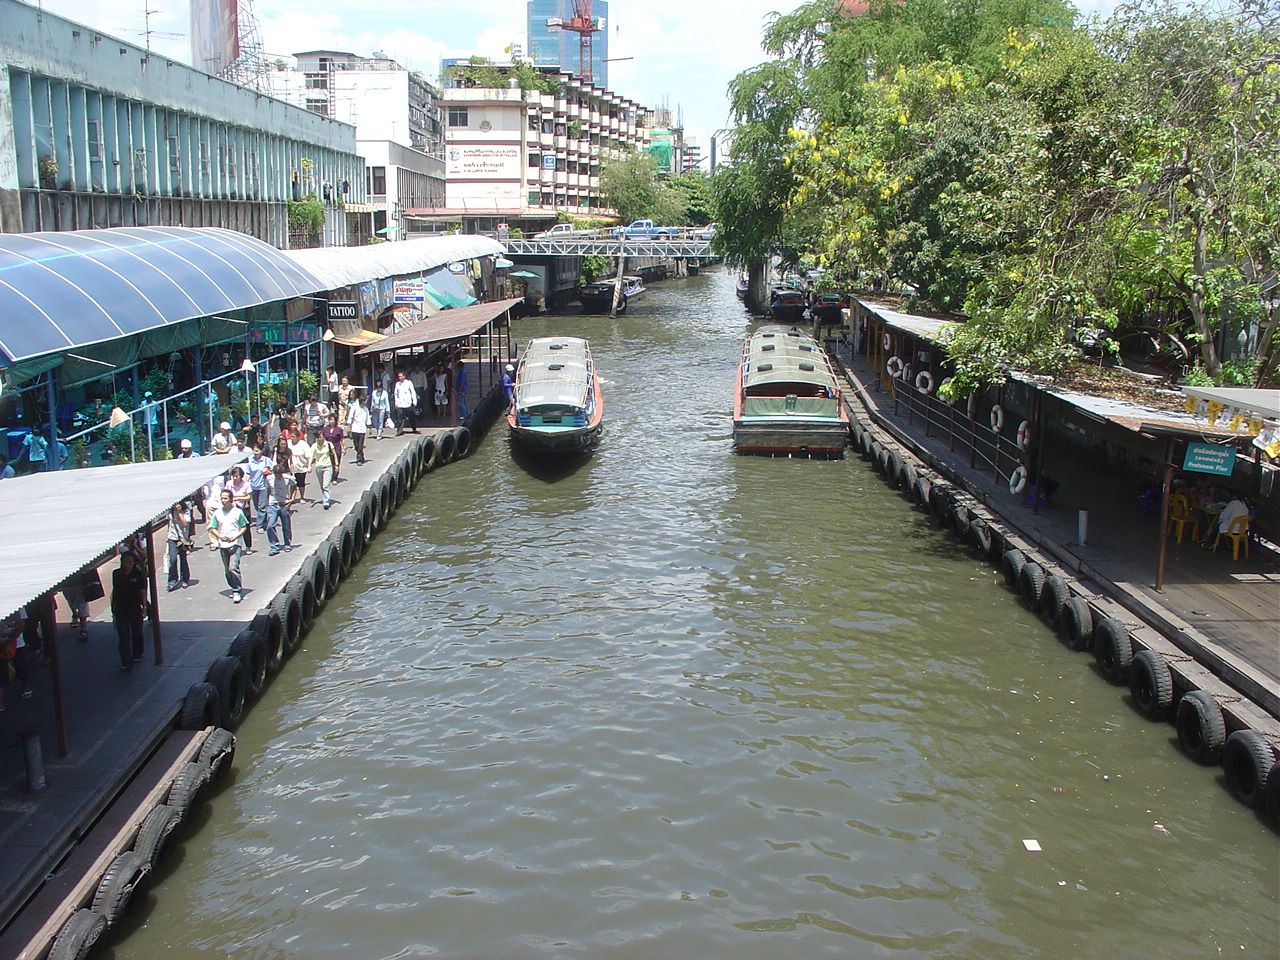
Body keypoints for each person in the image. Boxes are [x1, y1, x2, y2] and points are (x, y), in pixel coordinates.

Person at [111, 551, 148, 671]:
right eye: (125, 562)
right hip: (121, 608)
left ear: (133, 563)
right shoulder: (116, 574)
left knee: (136, 632)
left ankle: (137, 653)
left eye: (129, 562)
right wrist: (113, 609)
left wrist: (144, 608)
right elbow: (115, 592)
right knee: (123, 635)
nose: (127, 564)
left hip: (134, 607)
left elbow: (142, 592)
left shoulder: (138, 574)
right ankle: (126, 662)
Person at [210, 489, 248, 603]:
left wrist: (236, 536)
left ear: (231, 499)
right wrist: (220, 537)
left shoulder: (237, 512)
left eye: (225, 498)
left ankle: (237, 590)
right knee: (227, 570)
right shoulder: (217, 513)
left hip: (235, 543)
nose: (223, 500)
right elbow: (212, 528)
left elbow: (243, 526)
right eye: (222, 498)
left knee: (233, 567)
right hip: (223, 544)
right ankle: (233, 586)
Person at [265, 463, 299, 555]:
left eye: (280, 474)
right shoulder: (269, 479)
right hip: (273, 504)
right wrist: (267, 502)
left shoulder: (288, 478)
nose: (278, 476)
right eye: (276, 474)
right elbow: (268, 490)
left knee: (286, 525)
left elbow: (294, 487)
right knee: (270, 525)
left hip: (284, 504)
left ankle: (287, 544)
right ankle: (274, 546)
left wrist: (291, 499)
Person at [61, 567, 103, 642]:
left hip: (80, 581)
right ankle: (75, 614)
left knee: (82, 604)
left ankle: (83, 629)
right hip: (66, 582)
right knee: (71, 601)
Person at [166, 500, 194, 590]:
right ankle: (172, 581)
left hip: (182, 539)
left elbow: (185, 523)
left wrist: (179, 512)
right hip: (172, 538)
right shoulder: (170, 511)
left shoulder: (186, 510)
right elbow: (169, 523)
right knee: (172, 559)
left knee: (183, 559)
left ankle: (184, 579)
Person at [226, 465, 254, 552]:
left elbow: (249, 497)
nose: (234, 478)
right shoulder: (229, 484)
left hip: (243, 508)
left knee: (245, 528)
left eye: (236, 476)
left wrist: (239, 498)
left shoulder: (246, 485)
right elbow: (226, 494)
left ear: (241, 476)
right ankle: (235, 545)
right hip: (232, 509)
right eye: (233, 476)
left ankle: (248, 546)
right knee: (233, 527)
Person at [246, 444, 274, 533]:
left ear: (261, 451)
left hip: (263, 486)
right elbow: (248, 473)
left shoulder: (266, 460)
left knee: (262, 506)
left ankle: (259, 526)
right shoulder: (250, 460)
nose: (255, 453)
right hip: (253, 486)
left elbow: (272, 472)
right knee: (256, 506)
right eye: (254, 451)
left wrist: (267, 471)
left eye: (257, 451)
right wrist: (246, 484)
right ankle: (264, 520)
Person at [310, 429, 336, 510]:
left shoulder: (329, 444)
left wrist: (336, 464)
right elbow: (311, 456)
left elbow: (334, 454)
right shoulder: (314, 446)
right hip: (318, 467)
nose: (319, 439)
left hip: (327, 466)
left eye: (321, 437)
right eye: (318, 438)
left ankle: (326, 501)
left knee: (325, 485)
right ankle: (325, 496)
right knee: (322, 486)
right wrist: (309, 466)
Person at [202, 472, 227, 549]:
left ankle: (222, 538)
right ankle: (213, 542)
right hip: (210, 502)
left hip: (221, 503)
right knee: (210, 523)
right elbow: (204, 488)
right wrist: (204, 499)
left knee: (222, 522)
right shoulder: (207, 476)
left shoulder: (223, 477)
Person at [346, 394, 370, 464]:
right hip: (355, 429)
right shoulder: (354, 408)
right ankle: (361, 456)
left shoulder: (366, 409)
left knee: (360, 445)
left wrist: (370, 428)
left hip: (362, 430)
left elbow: (367, 418)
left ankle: (359, 459)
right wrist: (349, 427)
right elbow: (350, 417)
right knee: (356, 445)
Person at [393, 370, 419, 435]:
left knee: (411, 417)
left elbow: (413, 392)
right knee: (400, 418)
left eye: (401, 376)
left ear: (404, 376)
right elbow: (396, 393)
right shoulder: (397, 384)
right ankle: (399, 431)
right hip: (400, 403)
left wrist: (414, 401)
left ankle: (414, 428)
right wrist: (396, 402)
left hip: (408, 403)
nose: (400, 378)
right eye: (399, 376)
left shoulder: (409, 383)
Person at [288, 432, 312, 501]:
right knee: (292, 484)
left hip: (301, 467)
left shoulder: (303, 444)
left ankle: (302, 497)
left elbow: (308, 456)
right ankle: (291, 498)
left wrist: (309, 466)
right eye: (291, 436)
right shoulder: (288, 443)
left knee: (301, 483)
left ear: (298, 437)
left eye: (293, 437)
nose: (292, 438)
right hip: (290, 467)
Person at [322, 413, 345, 480]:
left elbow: (342, 439)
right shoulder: (325, 429)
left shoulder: (338, 429)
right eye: (329, 419)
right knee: (329, 463)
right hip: (327, 448)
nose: (330, 421)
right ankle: (329, 476)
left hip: (336, 447)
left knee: (336, 462)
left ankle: (335, 477)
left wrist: (344, 448)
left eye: (332, 419)